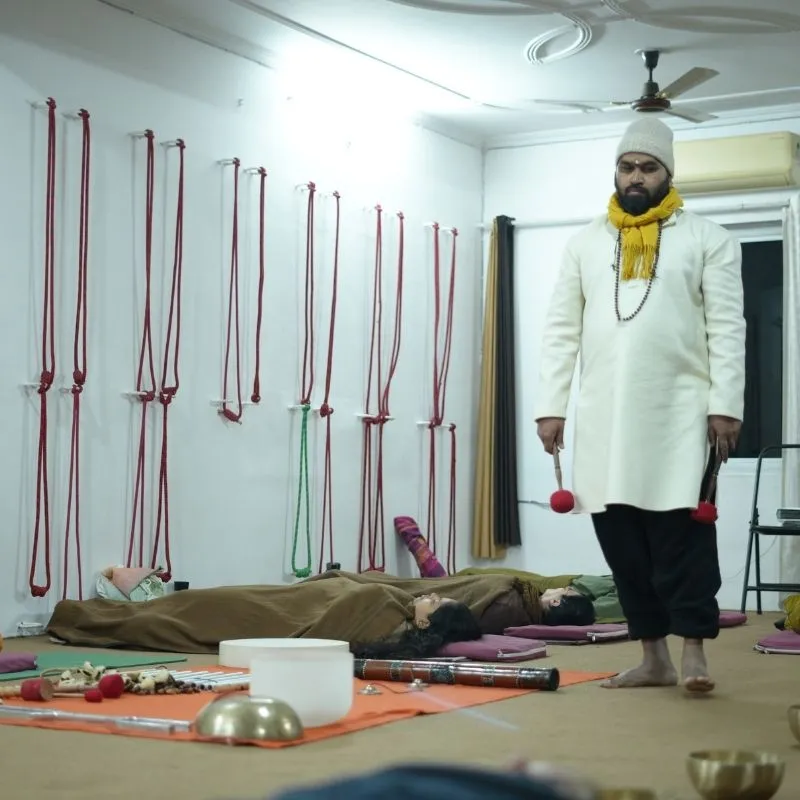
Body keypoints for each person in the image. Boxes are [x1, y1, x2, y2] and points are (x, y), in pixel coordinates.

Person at [533, 117, 746, 693]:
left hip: (680, 416)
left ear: (666, 174)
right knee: (623, 544)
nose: (636, 177)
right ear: (617, 171)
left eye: (648, 168)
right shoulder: (584, 242)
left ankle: (695, 652)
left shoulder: (708, 239)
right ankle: (654, 658)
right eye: (627, 166)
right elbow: (560, 330)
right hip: (605, 420)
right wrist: (551, 406)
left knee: (683, 540)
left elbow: (728, 327)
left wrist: (726, 404)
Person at [46, 572, 486, 658]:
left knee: (175, 616)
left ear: (429, 622)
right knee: (189, 601)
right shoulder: (393, 608)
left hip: (269, 617)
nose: (429, 594)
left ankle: (78, 617)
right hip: (276, 599)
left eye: (437, 601)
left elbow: (322, 636)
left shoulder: (388, 614)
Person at [395, 516, 600, 625]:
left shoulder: (511, 604)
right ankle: (431, 566)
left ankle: (427, 561)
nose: (563, 587)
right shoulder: (523, 600)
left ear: (555, 602)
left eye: (565, 591)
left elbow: (462, 611)